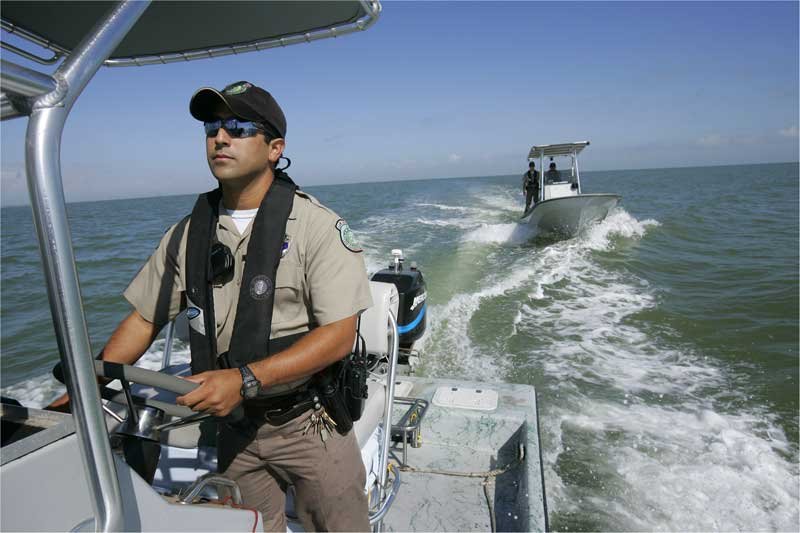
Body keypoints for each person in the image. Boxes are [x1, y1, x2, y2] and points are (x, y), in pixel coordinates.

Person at [47, 81, 373, 532]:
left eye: (239, 127)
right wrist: (87, 385)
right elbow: (145, 319)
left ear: (274, 148)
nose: (220, 137)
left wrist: (244, 380)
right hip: (234, 427)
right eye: (211, 127)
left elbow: (338, 337)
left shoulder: (318, 228)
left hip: (308, 423)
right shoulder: (188, 234)